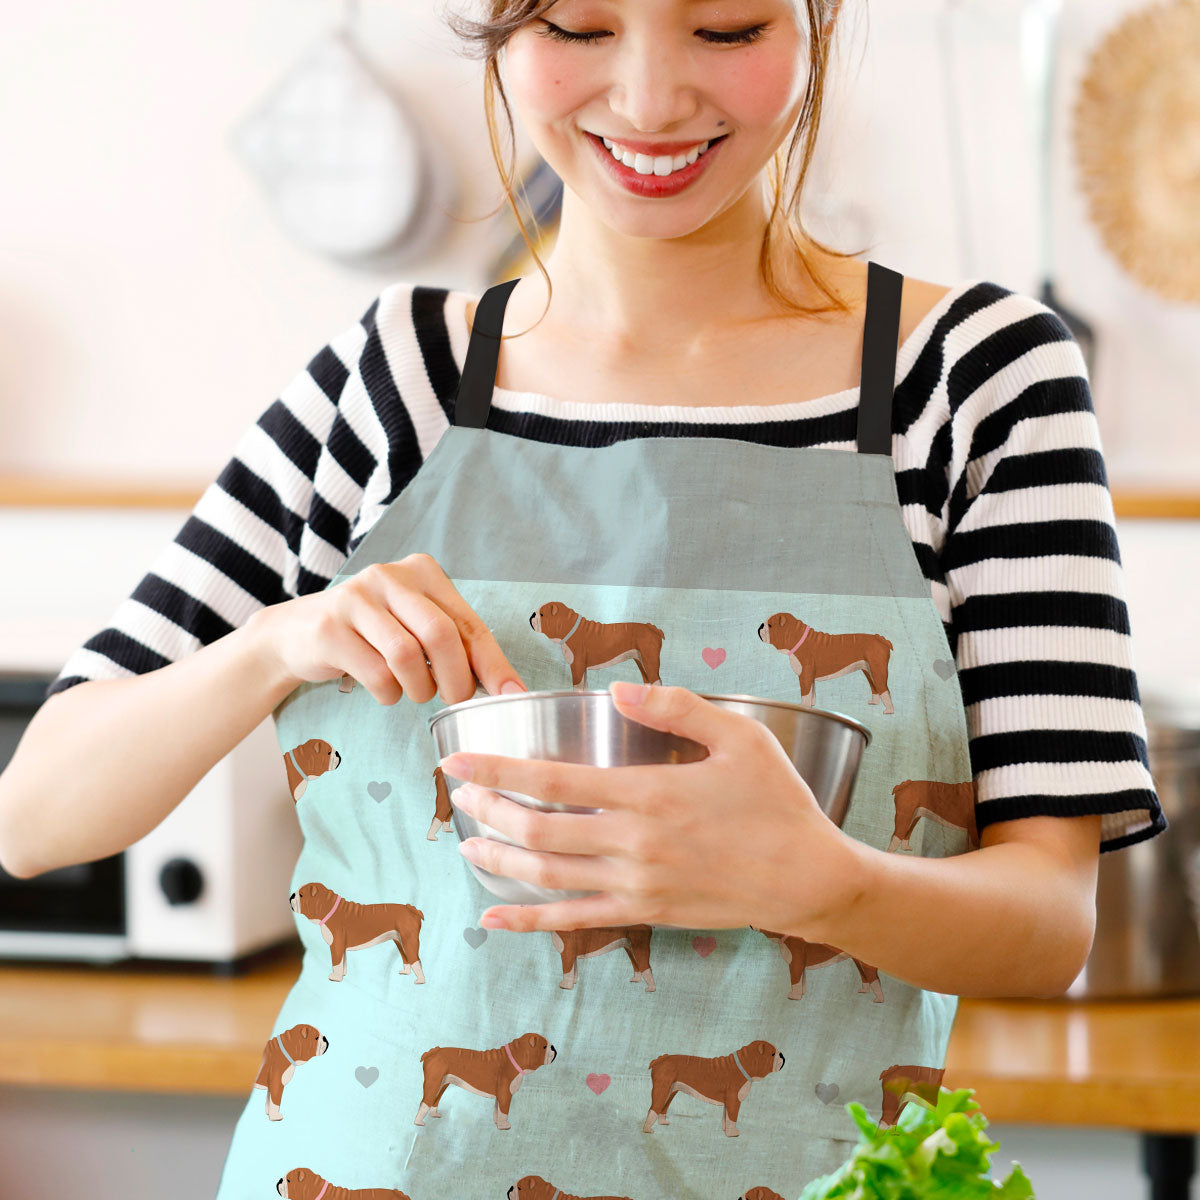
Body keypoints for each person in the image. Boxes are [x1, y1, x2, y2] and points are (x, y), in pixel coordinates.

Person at [0, 0, 1166, 1196]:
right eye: (578, 25)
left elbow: (1047, 923)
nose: (653, 100)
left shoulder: (976, 382)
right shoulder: (392, 380)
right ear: (499, 32)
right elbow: (34, 816)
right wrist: (273, 641)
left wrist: (820, 883)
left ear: (816, 22)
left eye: (727, 28)